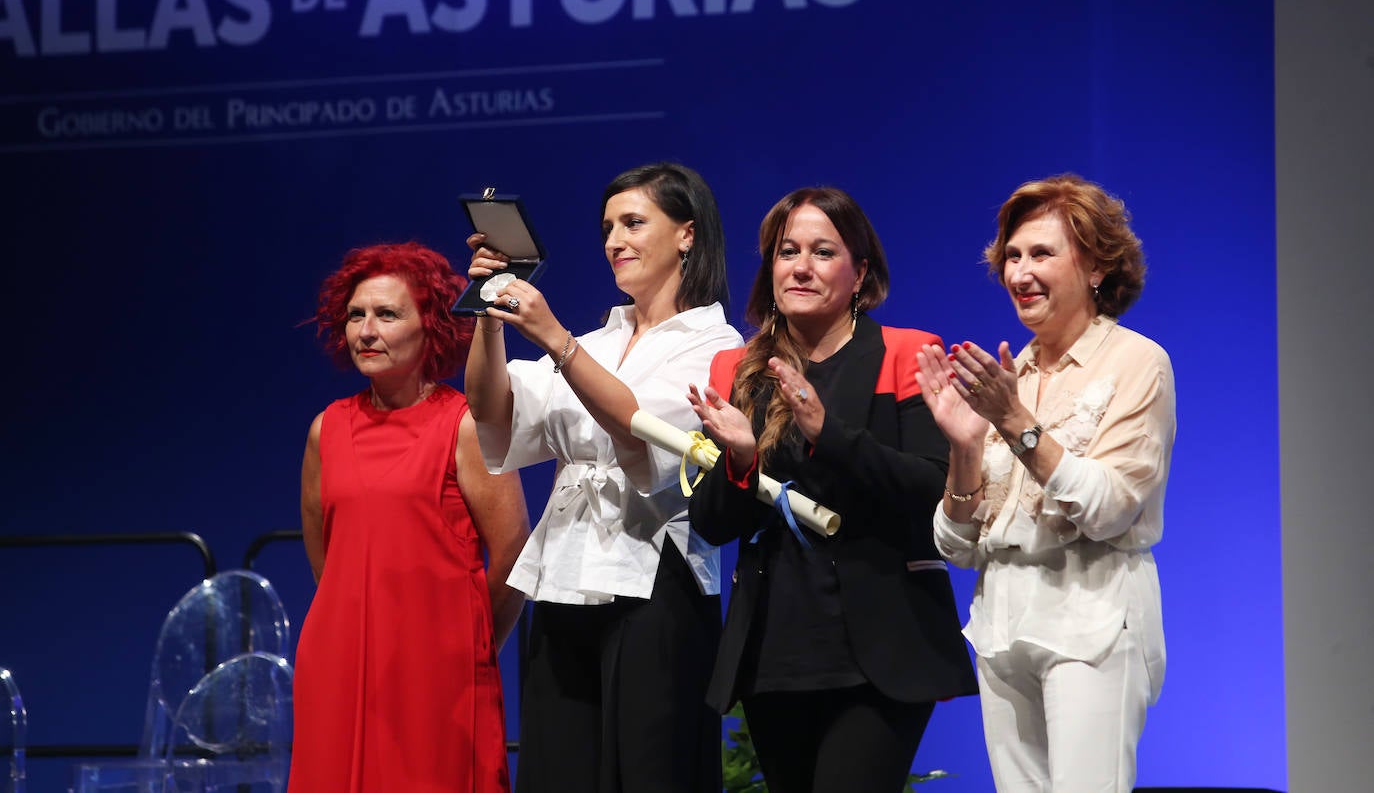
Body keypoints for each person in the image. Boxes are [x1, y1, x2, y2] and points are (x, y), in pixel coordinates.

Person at [686, 187, 977, 793]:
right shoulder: (737, 370)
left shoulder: (906, 352)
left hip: (883, 646)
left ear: (860, 271)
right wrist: (740, 458)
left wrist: (827, 433)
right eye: (787, 251)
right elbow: (713, 525)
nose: (801, 266)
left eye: (823, 251)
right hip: (775, 650)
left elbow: (931, 492)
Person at [463, 162, 742, 793]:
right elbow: (491, 407)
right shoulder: (598, 337)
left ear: (688, 234)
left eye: (634, 222)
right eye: (607, 226)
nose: (614, 239)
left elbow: (642, 430)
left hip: (656, 582)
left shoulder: (717, 345)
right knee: (558, 771)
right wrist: (488, 311)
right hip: (565, 575)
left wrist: (555, 337)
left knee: (650, 772)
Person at [918, 174, 1175, 793]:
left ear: (1094, 266)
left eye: (1041, 253)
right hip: (1002, 619)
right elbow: (956, 546)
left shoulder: (1137, 361)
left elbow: (1109, 509)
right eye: (1011, 255)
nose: (1019, 272)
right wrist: (963, 446)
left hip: (1093, 613)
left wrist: (1015, 423)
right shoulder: (1013, 375)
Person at [290, 242, 530, 793]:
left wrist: (466, 646)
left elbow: (515, 549)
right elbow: (326, 563)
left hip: (436, 677)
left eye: (387, 315)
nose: (366, 331)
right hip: (339, 668)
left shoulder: (464, 424)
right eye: (356, 315)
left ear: (431, 327)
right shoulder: (325, 430)